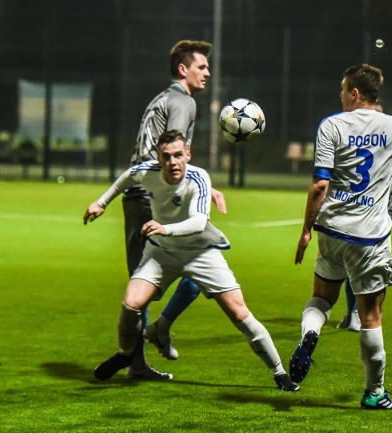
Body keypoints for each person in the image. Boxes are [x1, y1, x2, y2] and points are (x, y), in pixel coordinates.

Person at [84, 131, 300, 392]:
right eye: (166, 157)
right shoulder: (147, 171)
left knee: (239, 313)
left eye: (178, 155)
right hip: (162, 252)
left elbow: (198, 223)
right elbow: (126, 177)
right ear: (158, 158)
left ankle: (279, 373)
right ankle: (126, 354)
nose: (173, 162)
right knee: (131, 304)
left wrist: (165, 228)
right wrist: (101, 202)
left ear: (188, 154)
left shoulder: (199, 177)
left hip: (201, 252)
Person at [289, 64, 392, 409]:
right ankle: (375, 393)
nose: (341, 97)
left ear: (355, 93)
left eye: (343, 91)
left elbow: (320, 184)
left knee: (320, 299)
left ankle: (310, 334)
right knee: (371, 317)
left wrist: (305, 231)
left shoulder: (331, 125)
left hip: (331, 231)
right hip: (369, 239)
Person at [120, 40, 226, 380]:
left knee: (190, 262)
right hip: (152, 198)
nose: (207, 72)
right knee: (184, 266)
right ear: (183, 69)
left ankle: (157, 333)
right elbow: (172, 151)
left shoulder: (162, 98)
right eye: (201, 67)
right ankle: (144, 353)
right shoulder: (184, 102)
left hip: (141, 196)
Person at [336, 99, 392, 332]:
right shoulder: (352, 137)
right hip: (354, 208)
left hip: (381, 210)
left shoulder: (391, 137)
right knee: (352, 261)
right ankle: (355, 312)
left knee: (371, 263)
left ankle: (363, 312)